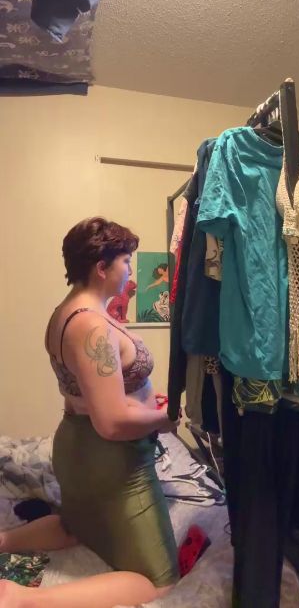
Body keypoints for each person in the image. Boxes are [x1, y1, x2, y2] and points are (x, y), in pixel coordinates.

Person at [0, 217, 180, 608]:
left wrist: (145, 402)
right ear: (102, 267)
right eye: (126, 262)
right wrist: (168, 418)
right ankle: (21, 599)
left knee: (76, 526)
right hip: (109, 459)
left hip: (78, 446)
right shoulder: (91, 327)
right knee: (160, 582)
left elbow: (90, 392)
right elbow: (111, 423)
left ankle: (3, 541)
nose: (129, 271)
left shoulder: (65, 313)